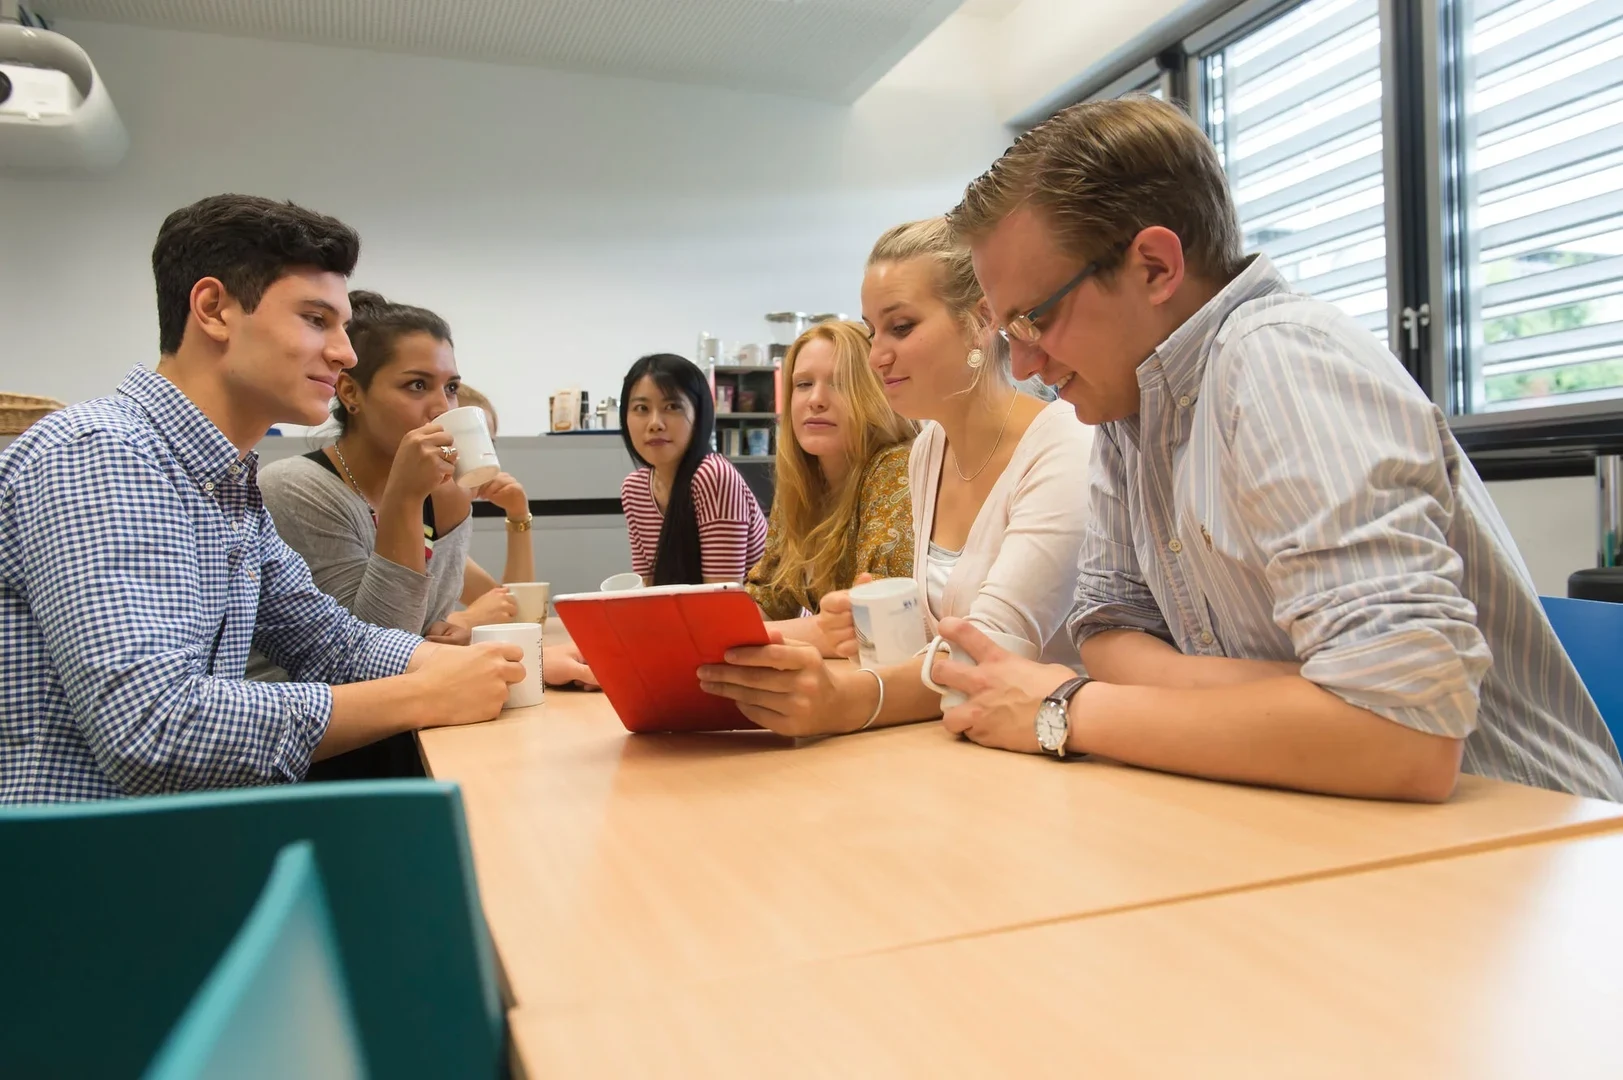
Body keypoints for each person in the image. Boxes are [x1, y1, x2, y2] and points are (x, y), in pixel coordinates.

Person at [933, 95, 1623, 802]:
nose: (1022, 366)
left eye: (1035, 317)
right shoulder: (1124, 405)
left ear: (1153, 267)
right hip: (1319, 806)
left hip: (1530, 836)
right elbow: (1107, 628)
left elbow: (1403, 737)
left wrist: (1063, 709)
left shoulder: (1279, 361)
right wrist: (1297, 698)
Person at [0, 194, 524, 803]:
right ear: (214, 309)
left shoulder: (225, 479)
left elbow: (331, 641)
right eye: (315, 320)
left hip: (170, 844)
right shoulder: (102, 453)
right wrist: (421, 692)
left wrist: (498, 666)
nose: (345, 353)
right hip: (78, 872)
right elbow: (154, 731)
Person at [698, 219, 1094, 736]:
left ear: (979, 320)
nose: (876, 355)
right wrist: (867, 624)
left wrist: (846, 699)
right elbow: (934, 641)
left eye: (901, 327)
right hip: (958, 743)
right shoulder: (930, 449)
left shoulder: (1062, 446)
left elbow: (988, 650)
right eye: (872, 332)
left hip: (1055, 753)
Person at [745, 320, 915, 635]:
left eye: (839, 383)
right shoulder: (803, 478)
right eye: (803, 384)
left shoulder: (896, 466)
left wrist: (736, 636)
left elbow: (869, 623)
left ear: (874, 394)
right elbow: (771, 596)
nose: (816, 400)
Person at [618, 353, 767, 585]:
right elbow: (647, 593)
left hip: (765, 621)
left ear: (699, 415)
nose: (655, 423)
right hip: (692, 618)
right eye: (641, 408)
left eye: (672, 406)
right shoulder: (634, 489)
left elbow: (722, 602)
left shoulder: (714, 476)